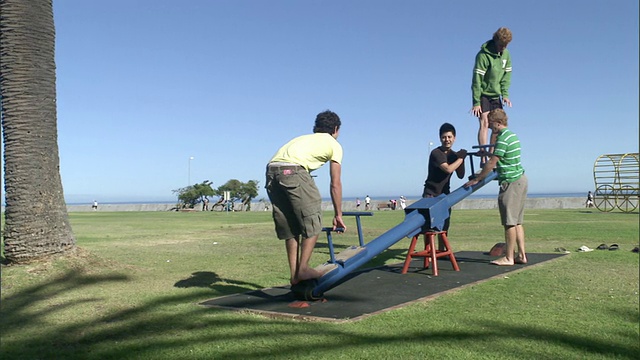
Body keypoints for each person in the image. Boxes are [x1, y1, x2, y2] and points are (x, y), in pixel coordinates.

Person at [265, 110, 346, 285]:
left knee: (290, 226)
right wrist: (338, 214)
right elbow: (335, 183)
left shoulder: (300, 139)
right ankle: (303, 269)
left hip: (272, 171)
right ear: (336, 129)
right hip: (294, 170)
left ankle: (294, 275)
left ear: (315, 127)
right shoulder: (334, 144)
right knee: (312, 218)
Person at [465, 109, 527, 266]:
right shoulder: (512, 136)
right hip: (521, 179)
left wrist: (478, 178)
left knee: (509, 222)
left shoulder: (503, 138)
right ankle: (521, 255)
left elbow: (493, 162)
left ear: (498, 123)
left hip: (511, 182)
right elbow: (501, 156)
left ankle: (509, 257)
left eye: (491, 124)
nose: (490, 128)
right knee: (517, 221)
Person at [470, 27, 513, 162]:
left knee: (496, 124)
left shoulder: (506, 55)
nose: (503, 48)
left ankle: (492, 156)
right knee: (484, 122)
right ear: (495, 41)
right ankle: (483, 157)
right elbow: (477, 80)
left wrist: (505, 94)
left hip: (496, 95)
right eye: (501, 45)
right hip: (483, 94)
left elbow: (506, 76)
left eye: (505, 46)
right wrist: (476, 102)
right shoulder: (483, 56)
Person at [422, 123, 467, 231]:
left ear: (454, 138)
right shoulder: (436, 153)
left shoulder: (453, 155)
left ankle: (442, 248)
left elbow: (461, 175)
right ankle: (429, 248)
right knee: (430, 229)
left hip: (445, 194)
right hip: (431, 194)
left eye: (449, 137)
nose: (447, 140)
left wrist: (460, 159)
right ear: (440, 138)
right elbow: (448, 169)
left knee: (444, 228)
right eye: (444, 137)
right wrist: (461, 158)